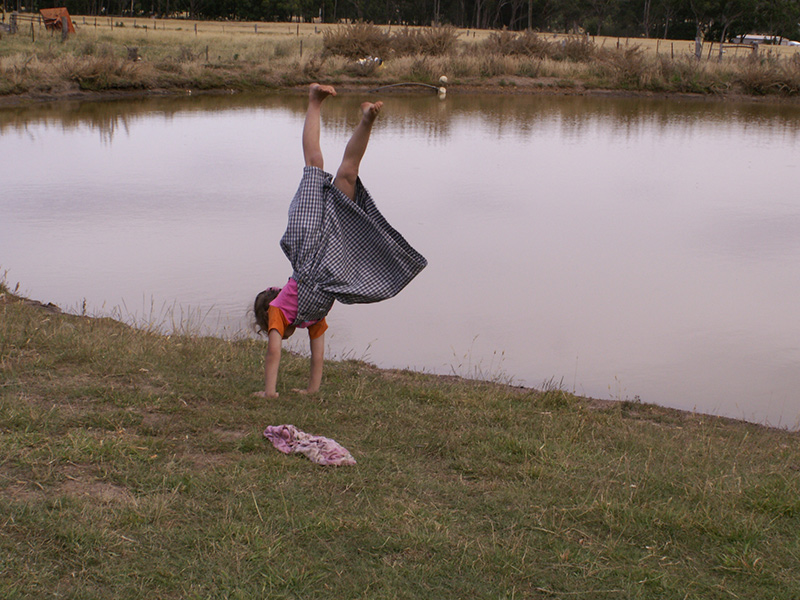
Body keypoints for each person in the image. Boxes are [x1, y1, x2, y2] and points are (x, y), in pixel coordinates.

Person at [254, 83, 427, 398]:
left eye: (273, 332)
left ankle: (316, 102)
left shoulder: (280, 311)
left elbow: (273, 355)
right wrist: (311, 390)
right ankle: (364, 119)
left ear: (267, 321)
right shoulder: (312, 316)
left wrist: (270, 393)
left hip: (316, 250)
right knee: (339, 172)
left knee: (323, 167)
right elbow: (318, 355)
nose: (279, 337)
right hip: (322, 248)